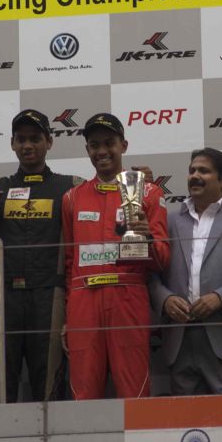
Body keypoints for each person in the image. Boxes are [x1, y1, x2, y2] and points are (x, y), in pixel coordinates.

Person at [61, 113, 169, 399]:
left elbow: (163, 259)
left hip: (128, 296)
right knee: (83, 393)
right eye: (94, 145)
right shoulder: (72, 198)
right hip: (84, 299)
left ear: (124, 145)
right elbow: (70, 262)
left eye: (109, 143)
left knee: (135, 392)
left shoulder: (149, 192)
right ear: (87, 150)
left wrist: (147, 239)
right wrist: (68, 314)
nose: (102, 151)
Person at [0, 109, 82, 402]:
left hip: (49, 296)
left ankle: (51, 436)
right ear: (12, 143)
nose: (27, 145)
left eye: (35, 138)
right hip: (1, 296)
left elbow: (104, 197)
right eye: (21, 139)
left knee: (49, 388)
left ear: (49, 142)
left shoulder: (71, 187)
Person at [151, 148, 222, 395]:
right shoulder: (168, 221)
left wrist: (221, 298)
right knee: (185, 418)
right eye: (192, 170)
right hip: (179, 342)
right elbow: (151, 273)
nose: (194, 176)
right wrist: (165, 299)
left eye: (203, 171)